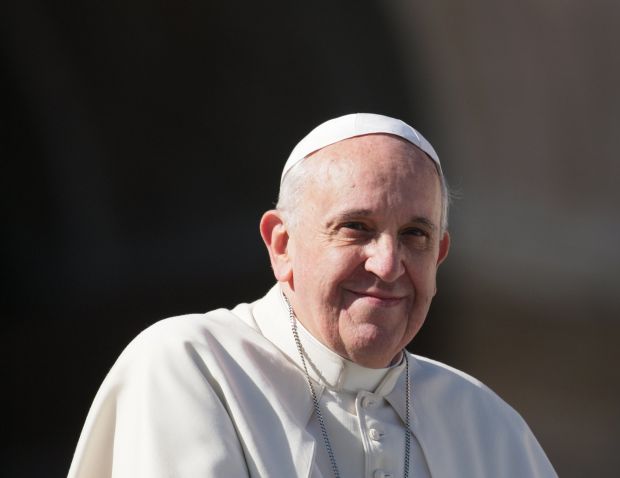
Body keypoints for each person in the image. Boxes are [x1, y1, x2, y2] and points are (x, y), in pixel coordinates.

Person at [68, 113, 557, 477]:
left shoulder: (487, 424)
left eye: (414, 235)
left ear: (440, 256)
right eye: (356, 227)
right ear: (282, 245)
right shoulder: (193, 365)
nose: (387, 265)